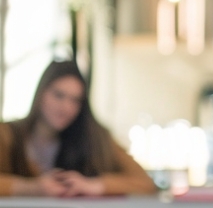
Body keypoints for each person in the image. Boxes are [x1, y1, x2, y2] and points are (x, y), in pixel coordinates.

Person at [0, 59, 157, 197]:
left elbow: (145, 183)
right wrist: (30, 188)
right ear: (41, 93)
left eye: (75, 100)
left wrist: (94, 186)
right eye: (59, 95)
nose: (66, 108)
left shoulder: (95, 137)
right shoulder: (6, 135)